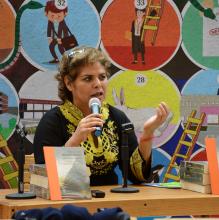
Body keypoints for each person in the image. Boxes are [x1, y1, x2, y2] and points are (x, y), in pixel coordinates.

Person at [33, 46, 169, 186]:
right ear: (69, 83)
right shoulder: (52, 122)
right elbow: (46, 180)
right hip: (68, 203)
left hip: (110, 202)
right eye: (88, 79)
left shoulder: (117, 117)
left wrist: (147, 134)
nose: (98, 84)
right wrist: (74, 141)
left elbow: (137, 177)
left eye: (102, 77)